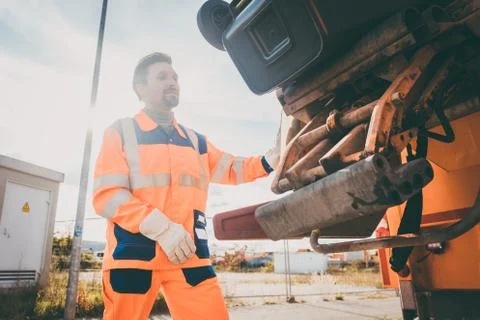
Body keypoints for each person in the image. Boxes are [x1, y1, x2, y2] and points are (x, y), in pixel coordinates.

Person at [92, 52, 280, 320]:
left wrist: (267, 162)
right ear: (141, 88)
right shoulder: (121, 132)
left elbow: (231, 167)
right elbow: (107, 195)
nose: (172, 82)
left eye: (175, 77)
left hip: (188, 257)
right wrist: (163, 229)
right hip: (134, 258)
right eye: (162, 77)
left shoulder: (195, 141)